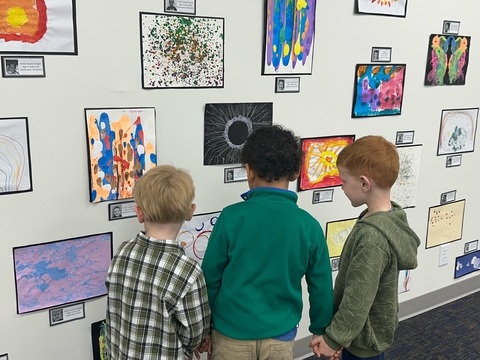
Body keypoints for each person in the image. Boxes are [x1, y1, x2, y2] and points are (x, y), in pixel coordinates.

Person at [201, 124, 334, 359]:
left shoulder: (231, 217)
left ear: (249, 171)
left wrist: (204, 327)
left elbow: (210, 277)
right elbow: (321, 284)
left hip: (230, 335)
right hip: (280, 338)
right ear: (294, 174)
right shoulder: (308, 225)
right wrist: (320, 329)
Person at [309, 135, 421, 360]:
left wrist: (334, 339)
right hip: (362, 333)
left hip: (363, 337)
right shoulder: (388, 218)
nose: (341, 187)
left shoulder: (372, 237)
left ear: (364, 183)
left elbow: (357, 297)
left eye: (343, 181)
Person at [105, 165, 211, 360]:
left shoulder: (122, 252)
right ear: (190, 212)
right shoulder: (188, 271)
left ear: (139, 213)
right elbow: (195, 333)